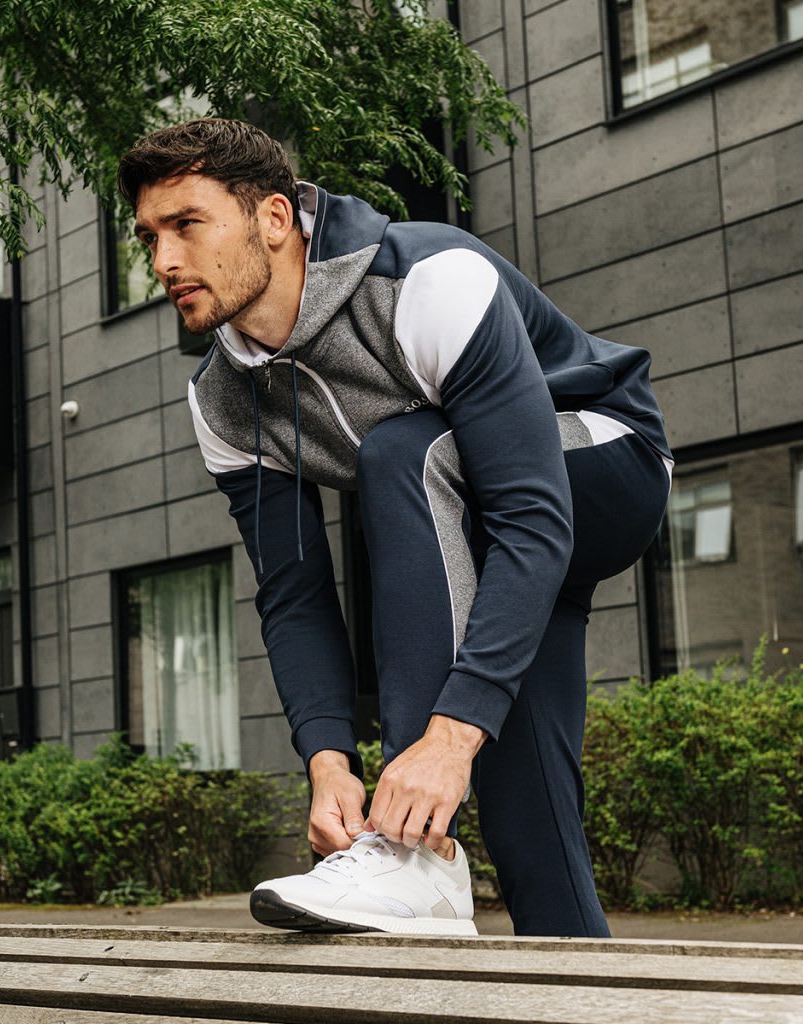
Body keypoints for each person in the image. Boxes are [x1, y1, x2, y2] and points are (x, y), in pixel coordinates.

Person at [117, 118, 673, 937]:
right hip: (483, 539)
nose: (164, 262)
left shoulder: (426, 279)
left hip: (599, 464)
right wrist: (328, 758)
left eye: (187, 225)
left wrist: (446, 739)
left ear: (273, 218)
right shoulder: (224, 402)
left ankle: (413, 859)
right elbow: (294, 590)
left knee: (402, 449)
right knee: (529, 814)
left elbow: (531, 512)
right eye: (149, 237)